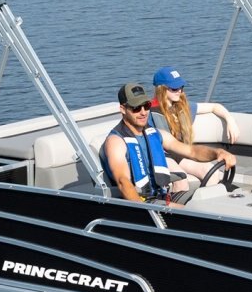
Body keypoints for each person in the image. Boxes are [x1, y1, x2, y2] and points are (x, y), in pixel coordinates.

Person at [101, 82, 236, 205]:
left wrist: (218, 153)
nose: (143, 112)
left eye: (146, 106)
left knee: (223, 197)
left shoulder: (155, 133)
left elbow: (191, 151)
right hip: (143, 202)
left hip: (162, 196)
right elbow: (123, 181)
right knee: (199, 210)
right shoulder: (116, 142)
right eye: (136, 108)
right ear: (123, 109)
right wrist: (144, 210)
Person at [150, 66, 240, 186]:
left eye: (181, 87)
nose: (179, 91)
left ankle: (205, 198)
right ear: (161, 89)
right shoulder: (148, 112)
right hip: (162, 157)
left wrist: (230, 120)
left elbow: (214, 107)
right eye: (174, 88)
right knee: (180, 178)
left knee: (212, 172)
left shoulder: (183, 107)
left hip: (180, 154)